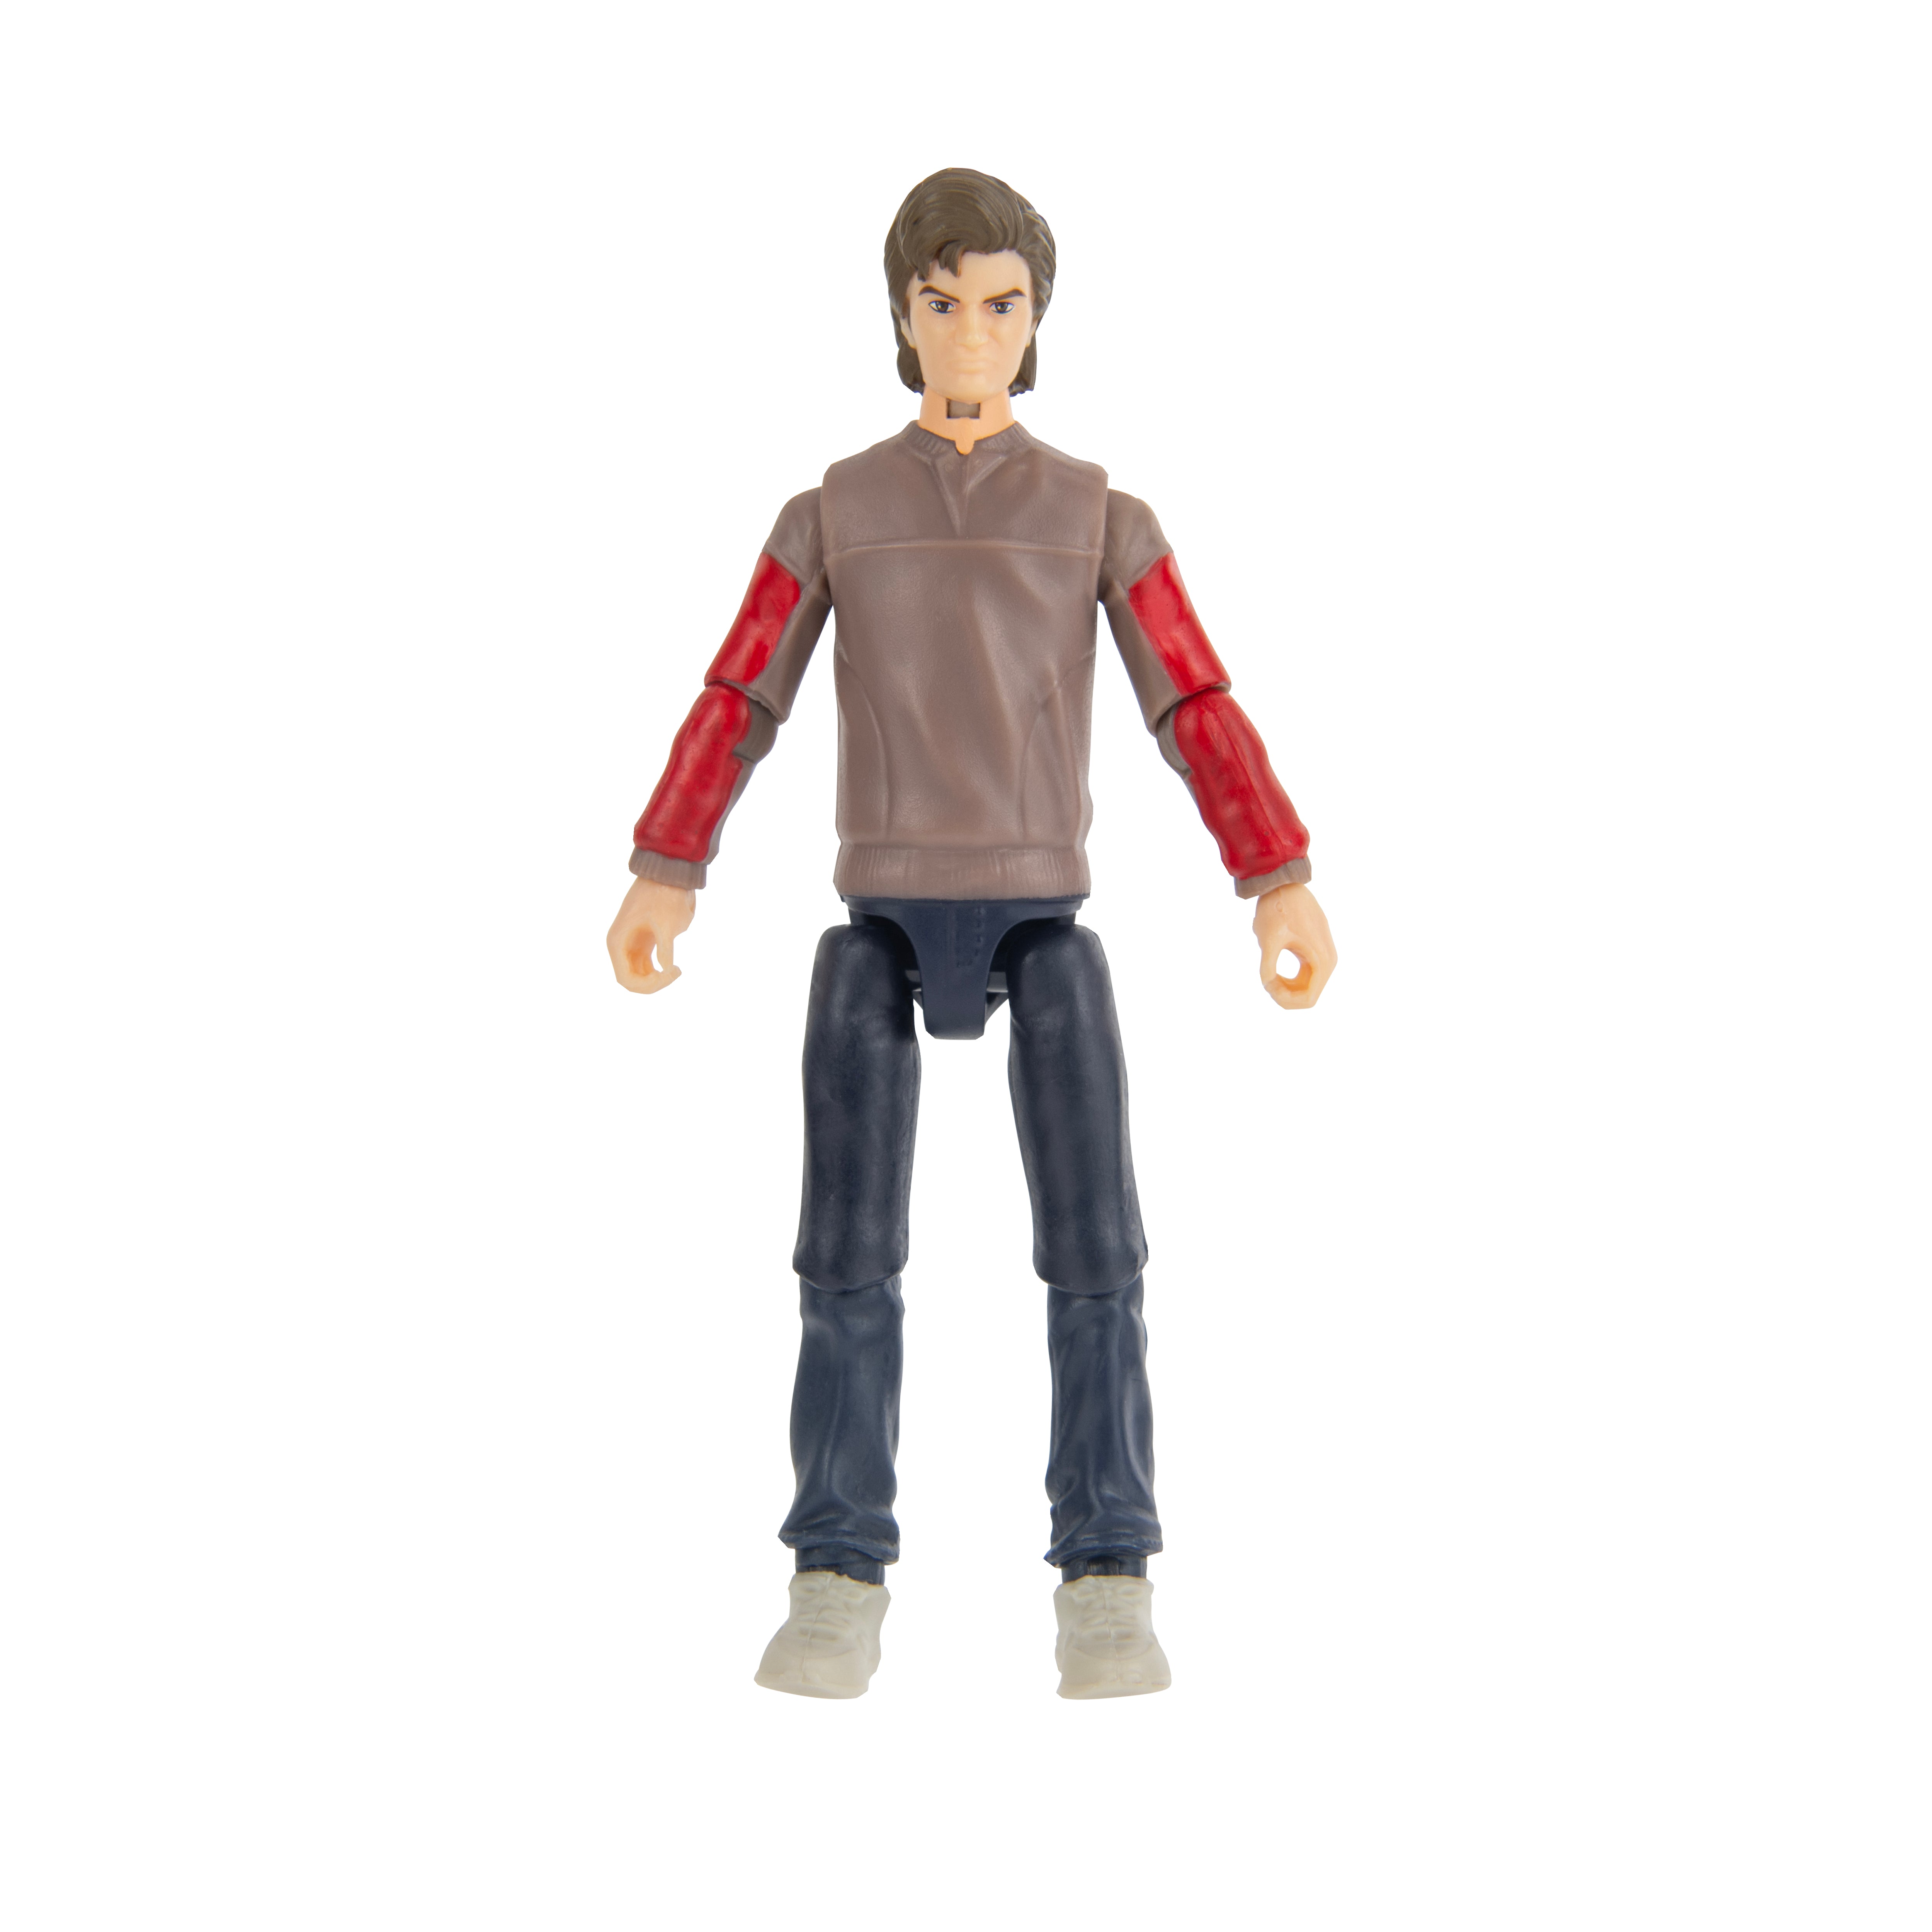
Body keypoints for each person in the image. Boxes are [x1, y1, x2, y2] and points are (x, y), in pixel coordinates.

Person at [607, 168, 1336, 1699]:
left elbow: (1193, 701)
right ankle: (836, 1561)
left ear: (1036, 319)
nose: (969, 334)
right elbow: (741, 691)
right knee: (843, 1256)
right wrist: (670, 861)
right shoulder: (832, 511)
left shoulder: (1096, 514)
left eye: (1000, 305)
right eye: (940, 304)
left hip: (1041, 911)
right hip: (875, 911)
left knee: (1097, 1252)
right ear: (901, 314)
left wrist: (1273, 871)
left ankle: (1106, 1563)